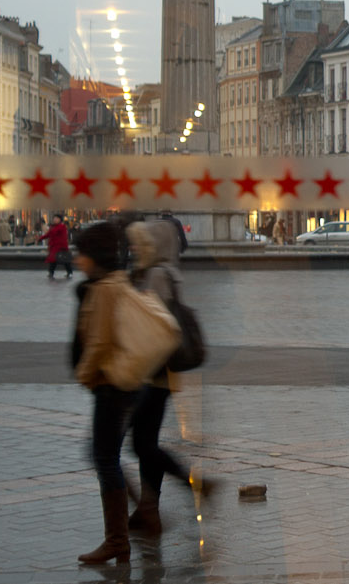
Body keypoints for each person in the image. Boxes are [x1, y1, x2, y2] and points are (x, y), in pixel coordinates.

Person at [123, 220, 211, 535]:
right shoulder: (162, 271)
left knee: (140, 445)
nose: (133, 248)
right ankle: (150, 510)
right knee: (145, 444)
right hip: (157, 376)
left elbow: (155, 328)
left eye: (139, 242)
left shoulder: (158, 275)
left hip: (152, 374)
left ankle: (192, 485)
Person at [69, 220, 141, 565]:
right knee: (104, 455)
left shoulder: (104, 289)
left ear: (92, 255)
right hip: (122, 383)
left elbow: (98, 341)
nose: (76, 259)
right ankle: (121, 537)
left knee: (105, 458)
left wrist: (84, 375)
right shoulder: (115, 282)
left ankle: (117, 540)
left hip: (111, 384)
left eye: (79, 253)